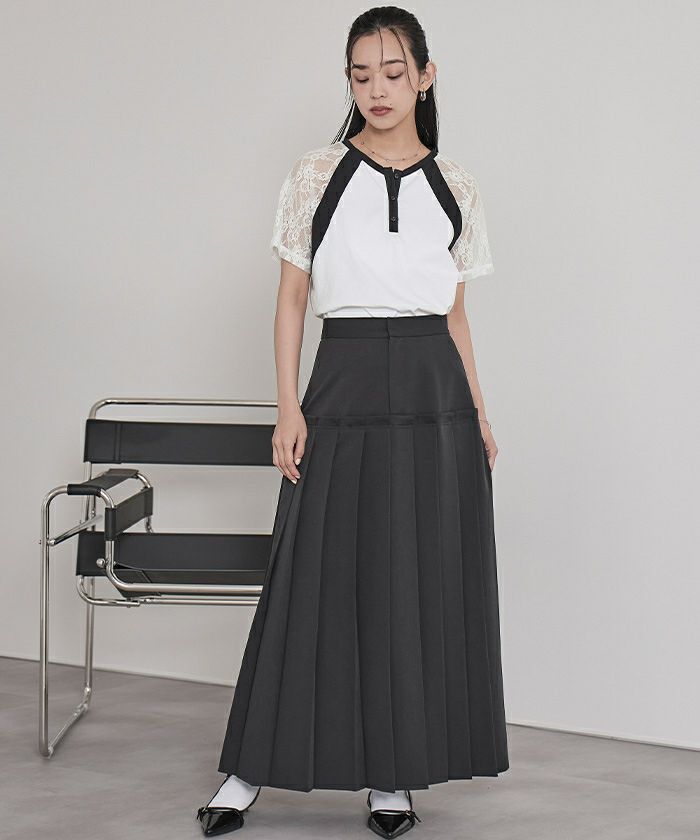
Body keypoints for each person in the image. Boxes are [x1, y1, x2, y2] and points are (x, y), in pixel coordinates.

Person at [197, 6, 509, 837]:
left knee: (413, 581)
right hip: (343, 377)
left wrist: (479, 413)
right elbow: (292, 297)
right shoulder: (317, 175)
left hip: (435, 394)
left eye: (394, 73)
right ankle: (246, 772)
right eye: (362, 74)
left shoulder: (457, 186)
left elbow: (456, 315)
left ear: (425, 77)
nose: (378, 89)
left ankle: (392, 780)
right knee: (311, 577)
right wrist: (288, 404)